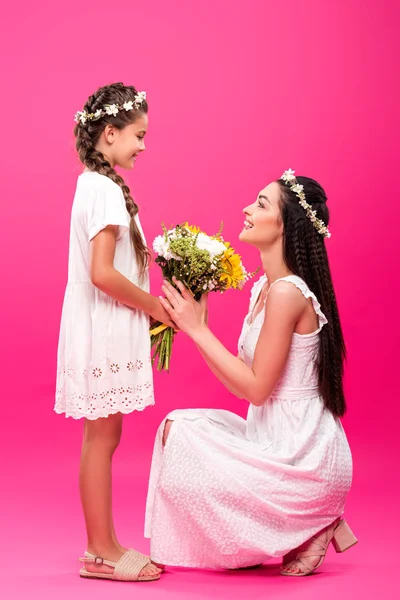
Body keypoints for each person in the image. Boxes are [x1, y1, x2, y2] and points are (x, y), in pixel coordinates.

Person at [144, 170, 357, 576]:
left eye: (261, 204)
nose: (246, 209)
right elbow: (243, 379)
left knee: (183, 434)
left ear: (285, 225)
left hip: (302, 456)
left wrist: (198, 329)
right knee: (176, 428)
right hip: (269, 440)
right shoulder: (263, 288)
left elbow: (256, 390)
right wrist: (196, 328)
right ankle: (285, 531)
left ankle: (313, 519)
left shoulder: (287, 293)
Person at [55, 82, 172, 582]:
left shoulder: (92, 183)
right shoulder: (102, 189)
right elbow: (103, 273)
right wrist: (155, 309)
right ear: (109, 134)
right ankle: (100, 551)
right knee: (102, 438)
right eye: (138, 135)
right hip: (103, 325)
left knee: (102, 436)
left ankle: (103, 545)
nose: (143, 146)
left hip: (98, 322)